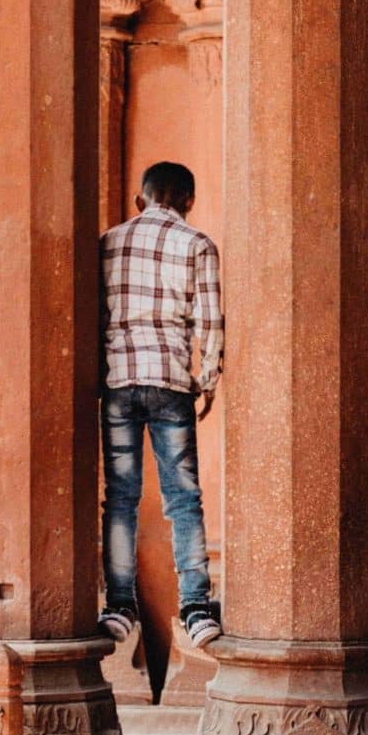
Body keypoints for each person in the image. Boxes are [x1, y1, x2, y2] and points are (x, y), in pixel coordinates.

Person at [98, 161, 224, 648]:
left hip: (120, 383)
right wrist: (208, 378)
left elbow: (94, 313)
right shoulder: (197, 245)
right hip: (171, 384)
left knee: (121, 499)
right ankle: (195, 607)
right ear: (188, 201)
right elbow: (210, 321)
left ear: (139, 200)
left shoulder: (109, 242)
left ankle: (118, 605)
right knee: (183, 499)